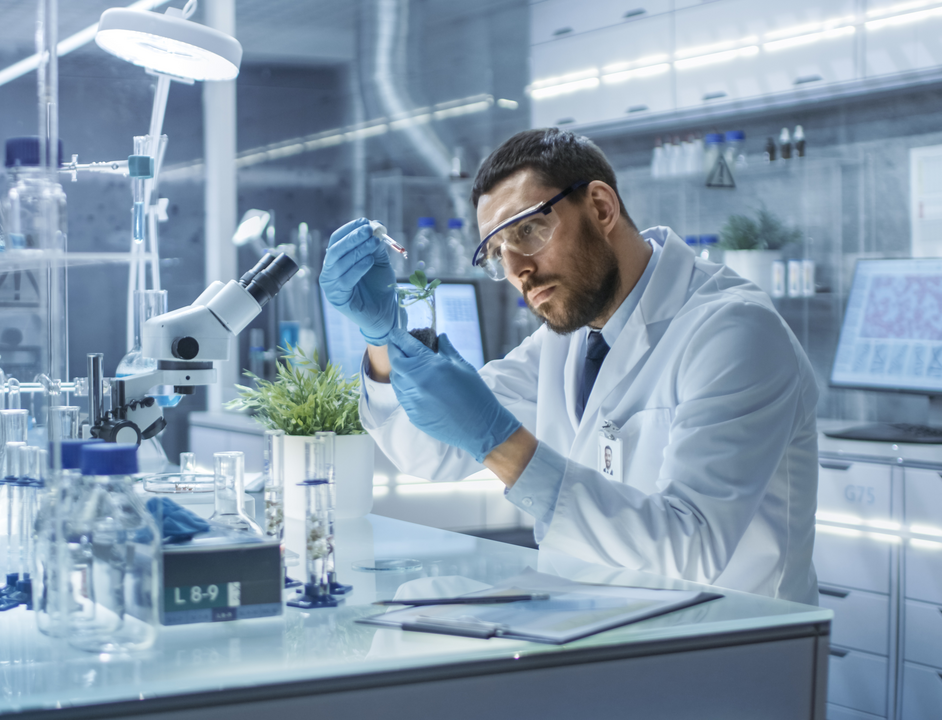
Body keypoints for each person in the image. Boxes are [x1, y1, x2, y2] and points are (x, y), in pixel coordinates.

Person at [319, 128, 819, 603]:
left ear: (600, 207)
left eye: (528, 230)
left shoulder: (734, 330)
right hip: (588, 635)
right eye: (497, 253)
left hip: (725, 654)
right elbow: (428, 452)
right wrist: (382, 338)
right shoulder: (565, 342)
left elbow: (690, 549)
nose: (517, 270)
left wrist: (503, 445)